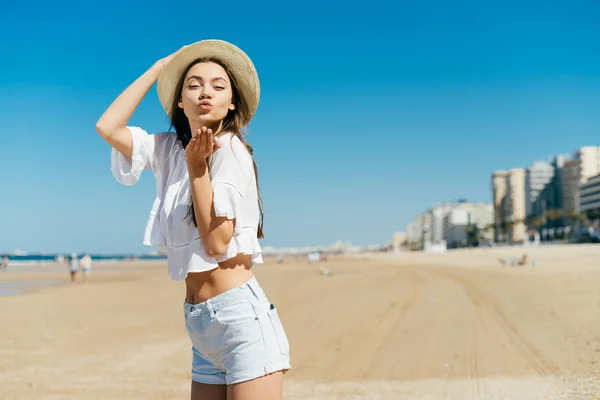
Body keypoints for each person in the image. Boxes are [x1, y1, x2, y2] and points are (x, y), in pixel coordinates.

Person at [96, 40, 290, 400]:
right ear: (180, 102)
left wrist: (197, 169)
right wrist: (159, 69)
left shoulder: (230, 149)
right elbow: (108, 126)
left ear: (231, 102)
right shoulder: (168, 149)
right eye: (193, 84)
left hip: (240, 321)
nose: (206, 92)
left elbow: (217, 244)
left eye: (218, 86)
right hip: (200, 323)